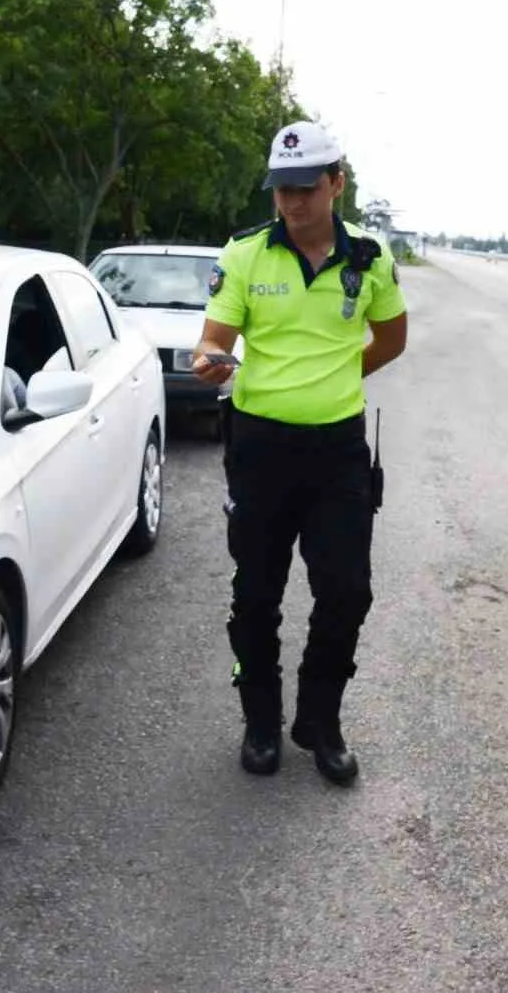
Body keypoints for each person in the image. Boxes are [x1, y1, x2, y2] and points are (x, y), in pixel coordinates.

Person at [192, 119, 408, 786]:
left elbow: (392, 339)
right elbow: (214, 340)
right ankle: (260, 723)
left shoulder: (370, 257)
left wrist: (333, 382)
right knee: (255, 595)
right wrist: (211, 362)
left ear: (336, 184)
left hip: (337, 452)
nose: (291, 203)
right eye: (281, 190)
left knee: (347, 591)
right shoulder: (244, 254)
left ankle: (320, 719)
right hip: (259, 450)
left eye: (305, 188)